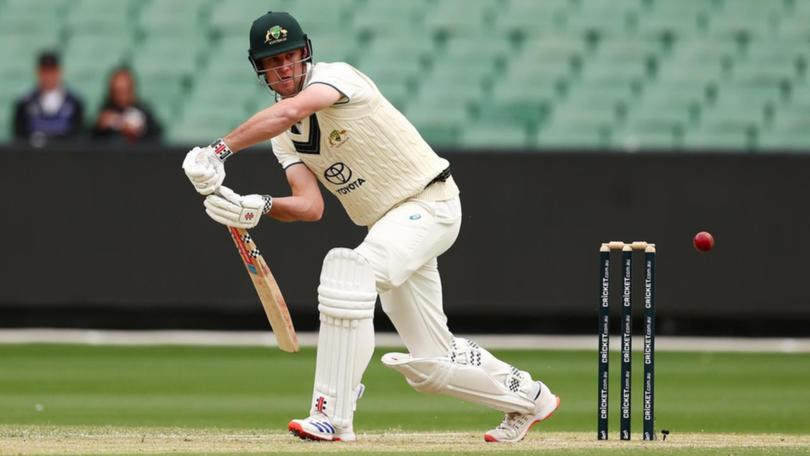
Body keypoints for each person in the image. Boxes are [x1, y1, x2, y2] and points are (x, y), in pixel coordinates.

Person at [182, 11, 559, 443]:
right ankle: (530, 397)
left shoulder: (336, 78)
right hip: (390, 226)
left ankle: (333, 414)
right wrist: (257, 206)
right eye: (273, 61)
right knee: (433, 364)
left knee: (351, 272)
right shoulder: (284, 137)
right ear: (260, 69)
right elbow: (309, 206)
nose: (284, 68)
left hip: (428, 203)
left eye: (289, 56)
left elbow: (292, 110)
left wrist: (218, 151)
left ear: (305, 54)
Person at [13, 51, 84, 146]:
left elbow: (77, 135)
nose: (48, 76)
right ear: (38, 72)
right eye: (45, 71)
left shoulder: (75, 102)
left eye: (52, 71)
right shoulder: (24, 103)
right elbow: (19, 137)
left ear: (60, 72)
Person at [92, 67, 163, 144]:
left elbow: (157, 141)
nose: (120, 96)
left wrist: (138, 134)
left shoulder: (145, 115)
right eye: (116, 91)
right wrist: (99, 129)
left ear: (131, 90)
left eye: (123, 91)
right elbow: (88, 141)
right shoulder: (104, 113)